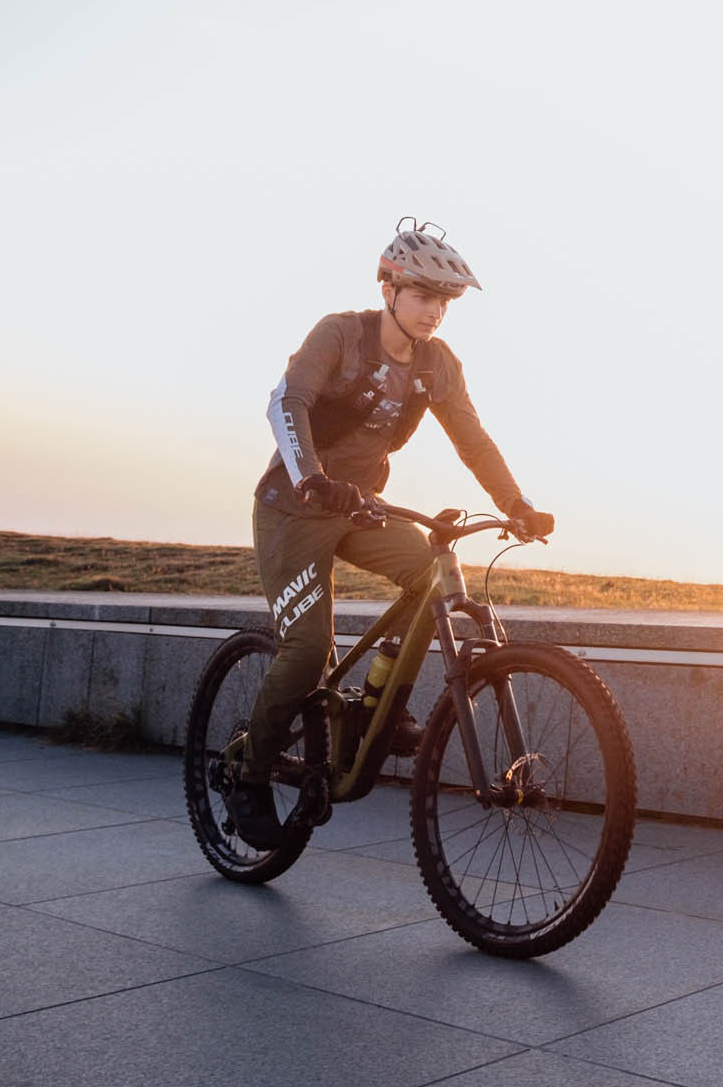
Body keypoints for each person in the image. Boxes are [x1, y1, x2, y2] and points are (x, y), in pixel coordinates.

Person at [230, 218, 554, 783]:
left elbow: (472, 439)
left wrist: (517, 503)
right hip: (294, 506)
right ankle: (250, 772)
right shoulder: (339, 334)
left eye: (444, 302)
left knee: (432, 574)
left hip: (358, 507)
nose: (434, 311)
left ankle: (382, 698)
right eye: (423, 296)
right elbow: (288, 402)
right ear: (389, 291)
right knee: (307, 653)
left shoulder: (438, 364)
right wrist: (310, 477)